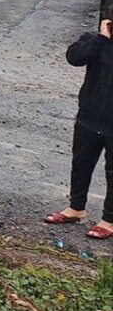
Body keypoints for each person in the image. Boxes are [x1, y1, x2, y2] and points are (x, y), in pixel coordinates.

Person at [44, 18, 113, 239]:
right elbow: (74, 57)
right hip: (89, 116)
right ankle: (76, 208)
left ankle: (109, 219)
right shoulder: (95, 41)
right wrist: (101, 38)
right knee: (81, 163)